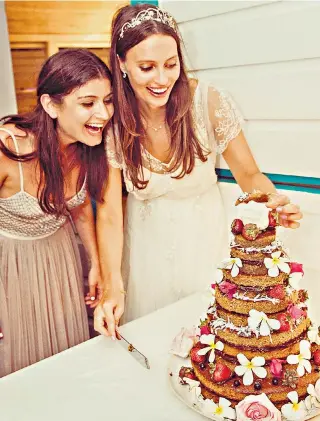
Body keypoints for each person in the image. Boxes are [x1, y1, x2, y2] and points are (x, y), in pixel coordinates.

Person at [93, 4, 303, 338]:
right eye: (147, 67)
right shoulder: (112, 118)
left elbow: (248, 174)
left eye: (171, 64)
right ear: (121, 64)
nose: (162, 79)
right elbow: (108, 213)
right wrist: (112, 284)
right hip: (144, 262)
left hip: (206, 249)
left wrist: (272, 202)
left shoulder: (208, 102)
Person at [0, 49, 113, 376]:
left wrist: (94, 262)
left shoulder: (87, 147)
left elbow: (78, 206)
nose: (103, 113)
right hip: (12, 267)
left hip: (59, 258)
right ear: (51, 105)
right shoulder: (10, 147)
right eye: (88, 103)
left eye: (107, 100)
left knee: (65, 360)